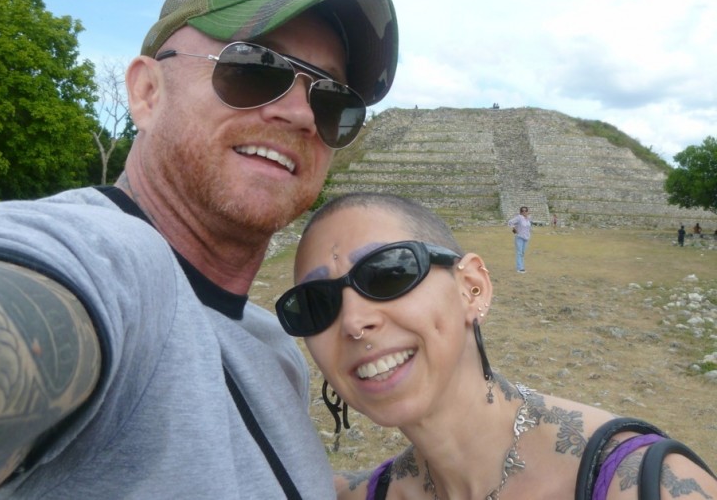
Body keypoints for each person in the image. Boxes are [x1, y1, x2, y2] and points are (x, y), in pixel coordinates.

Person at [0, 0, 398, 499]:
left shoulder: (276, 353)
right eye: (256, 68)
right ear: (147, 92)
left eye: (334, 101)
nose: (302, 114)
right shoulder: (106, 264)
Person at [274, 192, 717, 500]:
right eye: (315, 305)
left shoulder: (644, 485)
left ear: (472, 287)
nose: (352, 321)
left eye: (388, 273)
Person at [507, 205, 532, 273]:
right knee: (519, 253)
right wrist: (514, 229)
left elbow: (529, 227)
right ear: (520, 212)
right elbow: (510, 222)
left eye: (525, 211)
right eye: (522, 211)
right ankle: (520, 268)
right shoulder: (519, 217)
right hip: (519, 237)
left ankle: (522, 266)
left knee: (522, 253)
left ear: (527, 211)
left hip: (526, 237)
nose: (524, 212)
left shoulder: (528, 219)